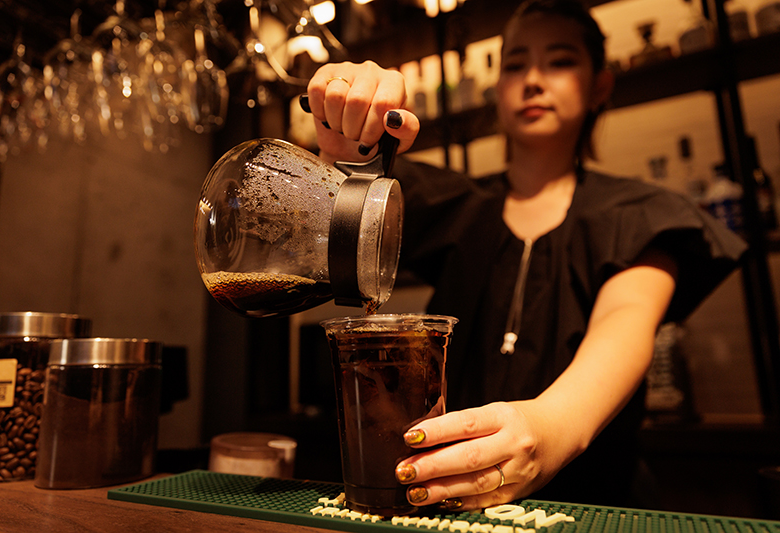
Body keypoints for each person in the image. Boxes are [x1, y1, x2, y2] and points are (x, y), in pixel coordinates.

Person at [302, 0, 747, 510]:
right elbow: (345, 203)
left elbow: (628, 322)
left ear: (599, 85)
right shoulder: (456, 206)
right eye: (515, 64)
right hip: (448, 504)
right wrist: (347, 136)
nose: (533, 79)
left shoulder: (639, 212)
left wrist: (550, 428)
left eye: (559, 61)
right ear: (497, 88)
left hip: (597, 504)